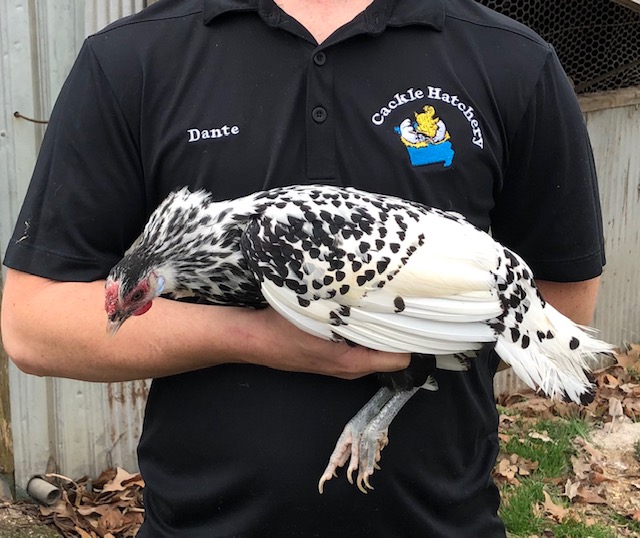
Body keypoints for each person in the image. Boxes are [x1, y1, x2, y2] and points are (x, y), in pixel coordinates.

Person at [1, 0, 605, 535]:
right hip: (201, 521)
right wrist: (261, 339)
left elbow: (559, 306)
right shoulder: (133, 57)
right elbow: (33, 328)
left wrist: (413, 334)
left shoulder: (510, 57)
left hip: (439, 519)